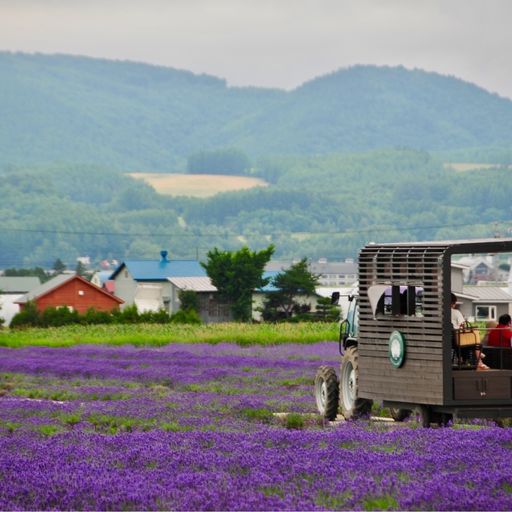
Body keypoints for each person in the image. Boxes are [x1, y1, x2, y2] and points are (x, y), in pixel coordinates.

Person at [451, 293, 489, 370]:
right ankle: (479, 361)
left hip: (449, 340)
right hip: (457, 338)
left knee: (471, 343)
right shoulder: (456, 312)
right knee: (474, 341)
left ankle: (475, 358)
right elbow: (463, 325)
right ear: (453, 303)